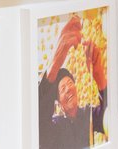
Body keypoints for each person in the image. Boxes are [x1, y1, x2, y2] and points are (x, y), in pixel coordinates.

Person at [38, 16, 107, 149]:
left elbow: (110, 117)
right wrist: (54, 66)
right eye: (62, 89)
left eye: (70, 84)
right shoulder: (55, 125)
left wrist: (99, 76)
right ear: (59, 102)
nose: (68, 89)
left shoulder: (87, 114)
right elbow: (37, 126)